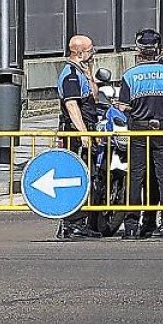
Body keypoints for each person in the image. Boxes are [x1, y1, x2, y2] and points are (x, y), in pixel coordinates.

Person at [119, 28, 163, 239]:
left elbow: (123, 107)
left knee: (135, 177)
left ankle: (131, 226)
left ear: (139, 50)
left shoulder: (129, 75)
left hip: (138, 129)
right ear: (158, 50)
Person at [56, 35, 102, 239]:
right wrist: (83, 133)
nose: (93, 54)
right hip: (75, 133)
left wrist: (90, 73)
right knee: (76, 176)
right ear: (79, 53)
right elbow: (72, 106)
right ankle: (72, 223)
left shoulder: (81, 72)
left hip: (86, 129)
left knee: (88, 175)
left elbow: (95, 96)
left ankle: (81, 221)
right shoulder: (70, 74)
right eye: (90, 50)